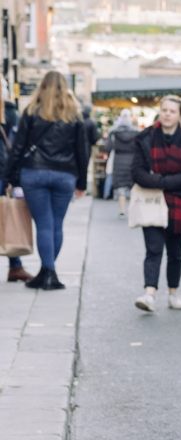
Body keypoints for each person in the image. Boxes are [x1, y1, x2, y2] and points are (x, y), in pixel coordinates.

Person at [2, 70, 89, 290]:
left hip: (34, 173)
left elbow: (19, 147)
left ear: (42, 86)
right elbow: (82, 151)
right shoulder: (74, 114)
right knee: (56, 225)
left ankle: (47, 272)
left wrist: (10, 176)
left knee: (43, 224)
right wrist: (82, 184)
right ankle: (49, 272)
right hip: (65, 175)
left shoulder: (31, 111)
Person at [131, 95, 181, 312]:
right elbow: (137, 173)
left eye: (172, 111)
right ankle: (149, 294)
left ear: (180, 115)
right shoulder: (145, 138)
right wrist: (167, 183)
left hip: (180, 203)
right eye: (164, 110)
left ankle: (173, 293)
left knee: (175, 252)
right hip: (152, 201)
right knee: (153, 249)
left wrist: (160, 181)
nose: (167, 114)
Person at [0, 76, 33, 283]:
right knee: (6, 216)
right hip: (3, 172)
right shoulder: (10, 114)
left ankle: (16, 266)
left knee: (6, 215)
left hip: (2, 173)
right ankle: (15, 266)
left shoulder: (9, 113)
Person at [106, 109, 139, 218]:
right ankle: (133, 210)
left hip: (118, 160)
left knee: (121, 186)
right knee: (133, 186)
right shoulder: (135, 132)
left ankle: (122, 211)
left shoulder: (113, 132)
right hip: (132, 160)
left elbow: (108, 147)